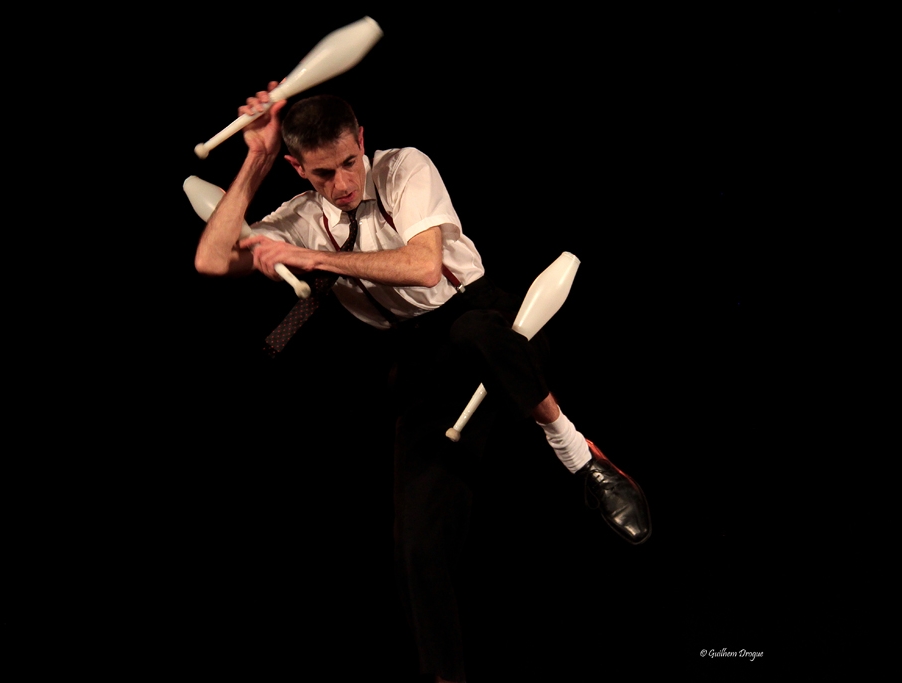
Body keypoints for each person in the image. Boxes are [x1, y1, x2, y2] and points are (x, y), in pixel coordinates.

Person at [194, 83, 651, 683]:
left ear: (362, 141)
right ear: (298, 168)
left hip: (491, 326)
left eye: (350, 162)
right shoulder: (301, 219)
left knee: (473, 335)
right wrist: (255, 157)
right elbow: (211, 257)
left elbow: (423, 265)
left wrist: (316, 260)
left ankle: (580, 459)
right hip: (419, 366)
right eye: (324, 173)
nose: (344, 184)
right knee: (417, 549)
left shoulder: (405, 168)